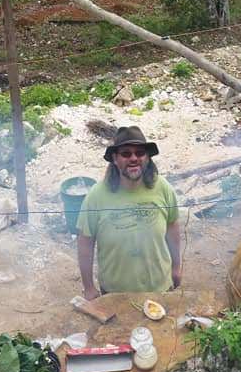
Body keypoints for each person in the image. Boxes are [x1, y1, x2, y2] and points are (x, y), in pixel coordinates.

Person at [77, 126, 182, 300]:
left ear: (147, 158)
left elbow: (173, 226)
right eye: (126, 154)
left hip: (159, 288)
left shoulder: (163, 188)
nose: (134, 158)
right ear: (115, 159)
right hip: (115, 293)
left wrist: (176, 267)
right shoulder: (97, 195)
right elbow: (85, 242)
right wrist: (88, 287)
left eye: (139, 153)